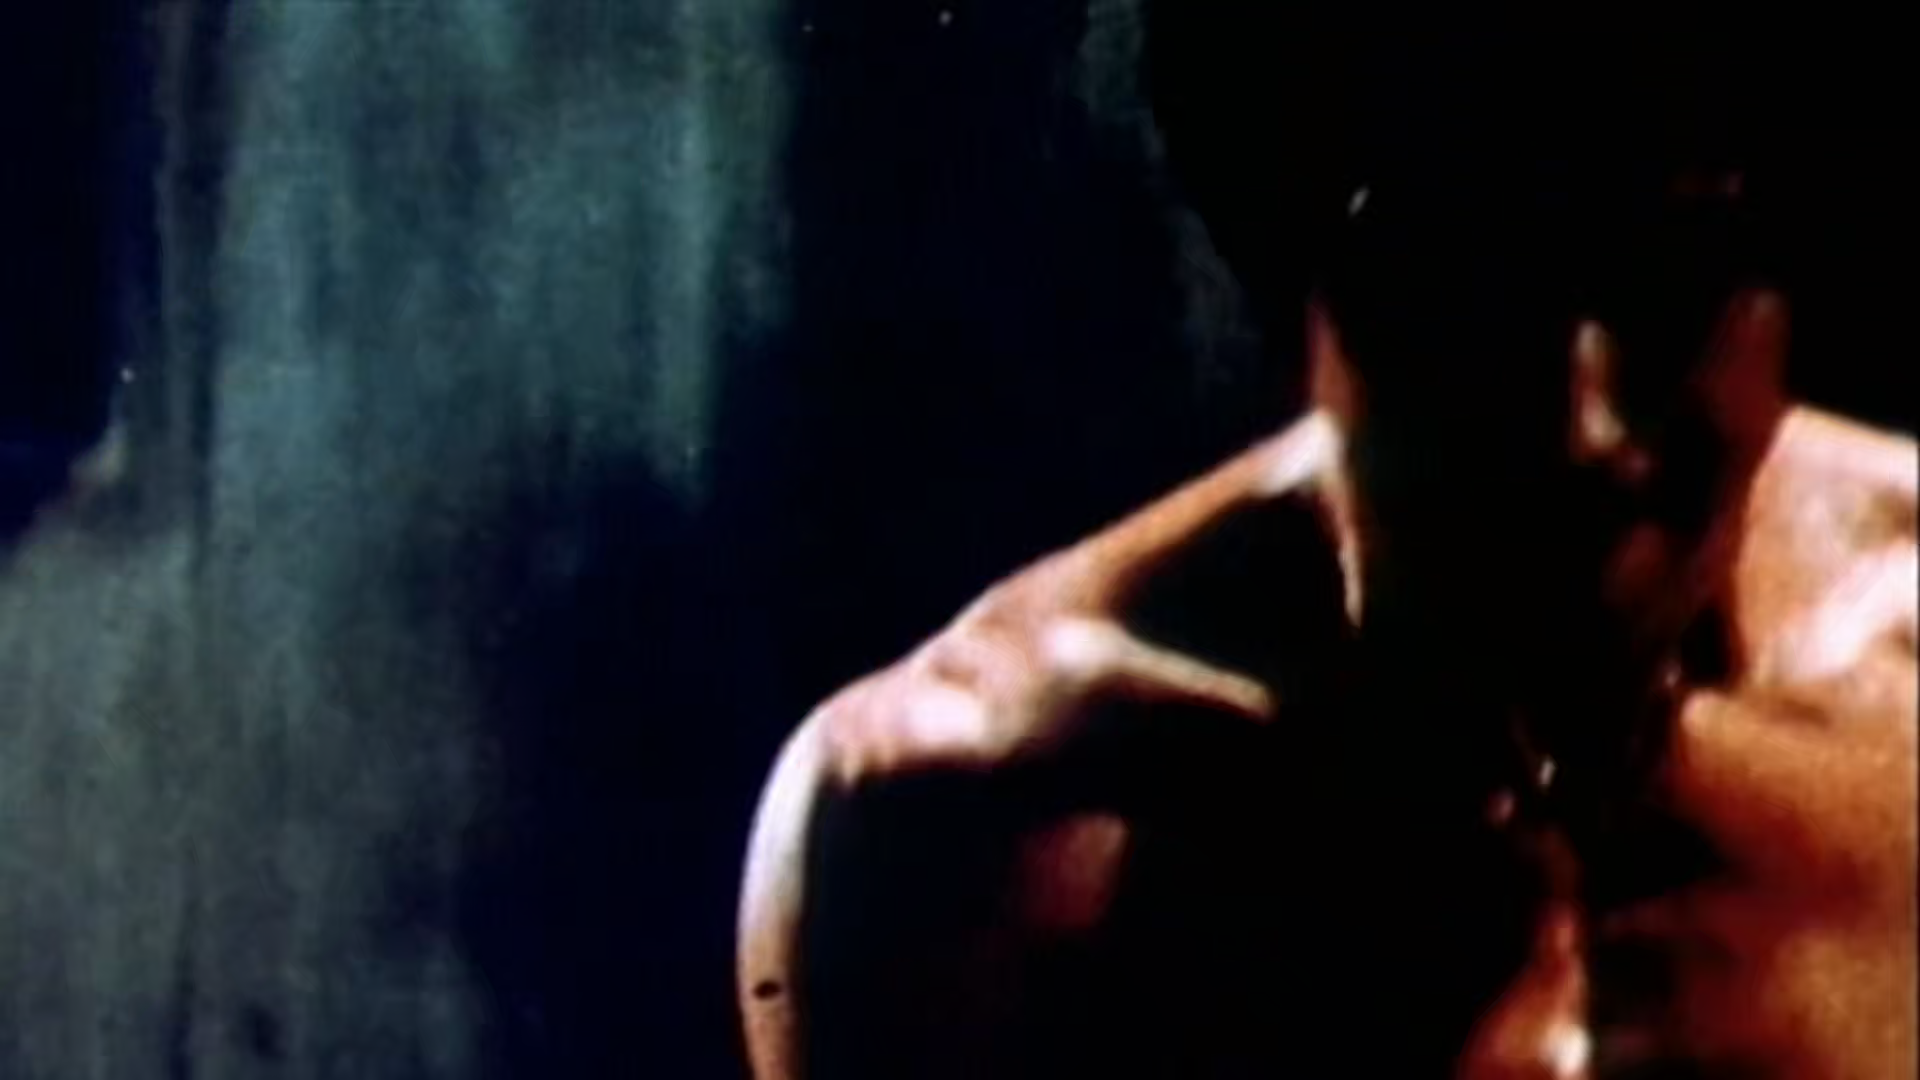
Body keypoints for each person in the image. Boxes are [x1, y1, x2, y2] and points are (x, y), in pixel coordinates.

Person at [736, 11, 1915, 1079]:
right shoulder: (974, 827)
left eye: (1665, 285)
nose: (1584, 428)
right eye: (1469, 291)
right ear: (1297, 263)